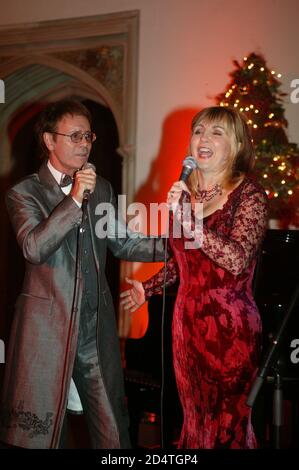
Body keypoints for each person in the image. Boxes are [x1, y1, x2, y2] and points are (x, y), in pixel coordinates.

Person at [0, 99, 166, 449]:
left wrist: (181, 245)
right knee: (42, 437)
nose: (85, 144)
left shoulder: (101, 188)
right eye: (74, 136)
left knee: (113, 433)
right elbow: (34, 247)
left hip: (95, 330)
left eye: (88, 136)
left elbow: (123, 242)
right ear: (49, 140)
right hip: (47, 332)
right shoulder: (23, 193)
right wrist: (74, 200)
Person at [120, 106, 269, 449]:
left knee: (227, 425)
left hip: (230, 330)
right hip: (186, 327)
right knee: (194, 422)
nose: (204, 138)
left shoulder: (249, 195)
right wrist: (148, 287)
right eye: (199, 131)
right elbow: (182, 262)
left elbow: (235, 258)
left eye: (217, 133)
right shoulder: (186, 194)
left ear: (236, 144)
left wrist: (188, 220)